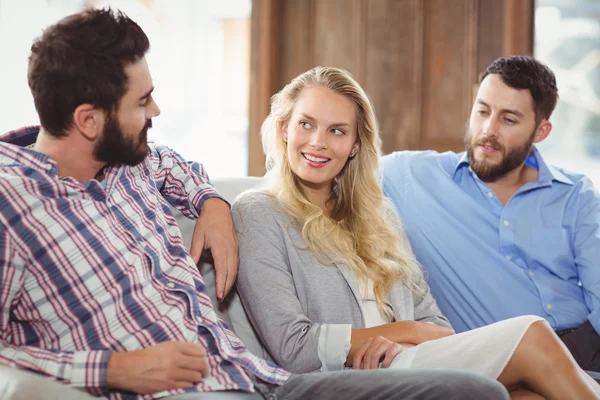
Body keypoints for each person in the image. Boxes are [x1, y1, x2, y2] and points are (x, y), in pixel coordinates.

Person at [0, 8, 511, 400]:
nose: (156, 110)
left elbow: (183, 170)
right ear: (89, 120)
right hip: (187, 392)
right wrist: (114, 370)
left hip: (260, 382)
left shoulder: (133, 161)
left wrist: (214, 203)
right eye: (141, 102)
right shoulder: (14, 207)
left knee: (475, 391)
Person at [232, 66, 600, 400]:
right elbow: (294, 348)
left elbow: (436, 325)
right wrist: (404, 332)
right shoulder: (260, 212)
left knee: (529, 397)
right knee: (531, 333)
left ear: (355, 145)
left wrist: (408, 337)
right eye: (306, 125)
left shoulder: (379, 214)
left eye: (337, 131)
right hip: (340, 375)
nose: (318, 143)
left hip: (410, 361)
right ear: (283, 129)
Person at [381, 56, 600, 374]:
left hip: (584, 350)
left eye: (508, 120)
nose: (487, 130)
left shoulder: (575, 194)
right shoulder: (409, 176)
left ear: (541, 131)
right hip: (499, 362)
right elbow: (322, 165)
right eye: (482, 111)